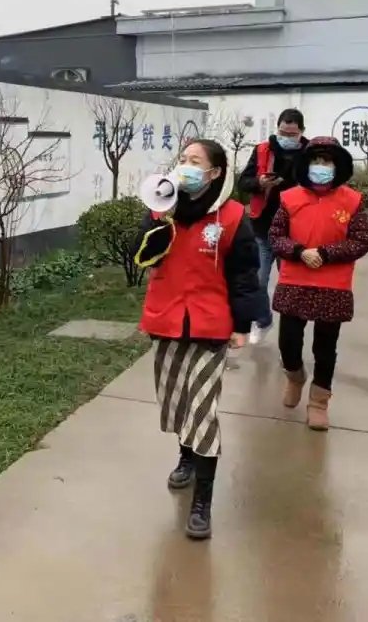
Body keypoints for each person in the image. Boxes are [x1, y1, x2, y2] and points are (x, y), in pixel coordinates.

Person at [132, 139, 261, 541]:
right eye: (182, 159)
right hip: (167, 320)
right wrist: (159, 220)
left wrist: (242, 324)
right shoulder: (163, 207)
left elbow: (244, 275)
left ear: (215, 173)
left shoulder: (233, 217)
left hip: (210, 326)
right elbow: (143, 257)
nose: (185, 166)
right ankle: (185, 457)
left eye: (195, 161)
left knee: (203, 412)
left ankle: (201, 503)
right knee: (177, 402)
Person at [268, 136, 368, 431]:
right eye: (315, 160)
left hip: (333, 283)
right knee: (288, 342)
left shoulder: (352, 201)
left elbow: (362, 241)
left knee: (325, 348)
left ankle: (318, 402)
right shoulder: (289, 198)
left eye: (326, 161)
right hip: (295, 279)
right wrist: (300, 252)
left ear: (337, 166)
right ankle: (295, 376)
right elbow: (275, 236)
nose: (320, 166)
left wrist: (325, 254)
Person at [238, 109, 308, 341]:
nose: (287, 137)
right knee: (258, 281)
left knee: (291, 286)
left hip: (293, 231)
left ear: (302, 132)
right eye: (283, 132)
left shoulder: (310, 153)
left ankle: (290, 340)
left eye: (292, 134)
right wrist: (260, 183)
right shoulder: (262, 150)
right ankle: (263, 320)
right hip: (263, 228)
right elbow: (243, 182)